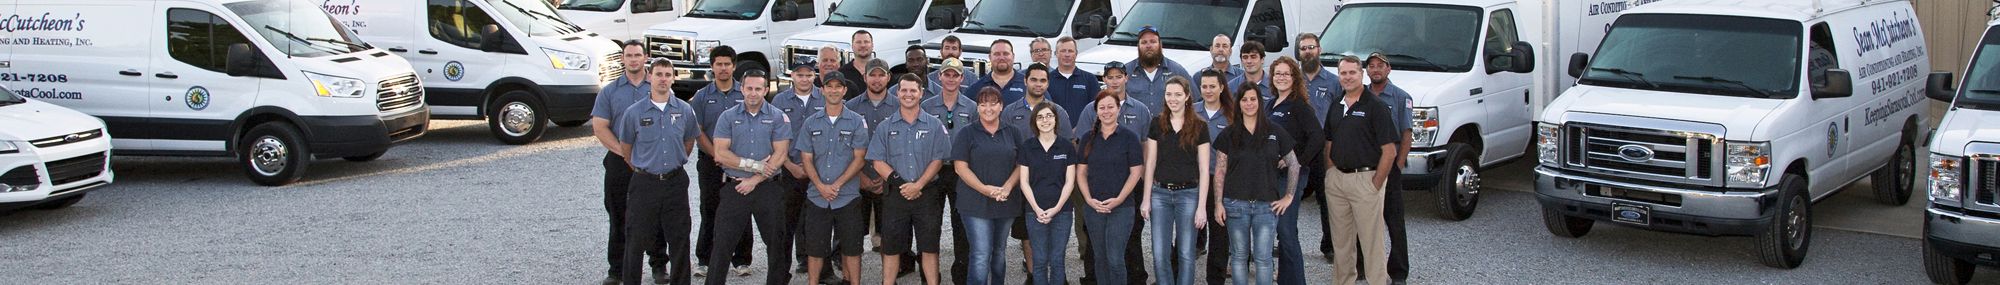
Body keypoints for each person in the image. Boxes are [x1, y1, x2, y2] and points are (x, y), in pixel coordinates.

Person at [613, 58, 702, 285]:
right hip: (645, 183)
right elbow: (626, 148)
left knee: (680, 238)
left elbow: (689, 140)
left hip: (675, 182)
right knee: (636, 238)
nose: (663, 79)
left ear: (673, 78)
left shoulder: (684, 110)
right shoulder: (634, 112)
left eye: (668, 74)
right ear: (649, 76)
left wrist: (676, 160)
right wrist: (645, 168)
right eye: (659, 74)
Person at [592, 40, 668, 285]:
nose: (634, 60)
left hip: (652, 163)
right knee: (618, 215)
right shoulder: (610, 92)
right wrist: (624, 153)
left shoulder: (659, 86)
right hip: (619, 162)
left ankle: (659, 266)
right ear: (622, 59)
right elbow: (600, 127)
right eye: (629, 56)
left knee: (656, 215)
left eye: (638, 55)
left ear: (645, 58)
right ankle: (617, 271)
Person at [868, 74, 952, 285]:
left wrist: (919, 185)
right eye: (904, 90)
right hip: (896, 195)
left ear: (921, 93)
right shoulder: (885, 127)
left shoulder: (934, 125)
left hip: (926, 195)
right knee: (891, 248)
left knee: (929, 247)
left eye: (913, 90)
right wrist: (901, 184)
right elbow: (877, 161)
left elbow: (938, 159)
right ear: (897, 94)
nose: (908, 95)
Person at [1320, 56, 1397, 285]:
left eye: (1352, 72)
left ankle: (1377, 281)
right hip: (1338, 181)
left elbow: (1390, 151)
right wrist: (1331, 173)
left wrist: (1375, 183)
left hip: (1365, 180)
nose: (1347, 77)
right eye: (1343, 73)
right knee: (1342, 243)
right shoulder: (1336, 105)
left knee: (1371, 242)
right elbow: (1329, 143)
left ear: (1361, 74)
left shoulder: (1376, 107)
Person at [1076, 62, 1153, 285]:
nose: (1107, 111)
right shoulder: (1088, 139)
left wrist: (1119, 199)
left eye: (1111, 107)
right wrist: (1089, 200)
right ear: (1096, 111)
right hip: (1094, 207)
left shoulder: (1129, 137)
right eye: (1102, 108)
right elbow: (1081, 173)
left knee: (1116, 258)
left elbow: (1136, 171)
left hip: (1122, 207)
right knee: (1099, 257)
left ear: (1118, 109)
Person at [1213, 84, 1296, 285]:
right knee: (1239, 257)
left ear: (1260, 101)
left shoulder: (1275, 131)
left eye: (1253, 99)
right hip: (1235, 204)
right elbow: (1220, 170)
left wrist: (1289, 196)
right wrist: (1218, 204)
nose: (1249, 103)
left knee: (1264, 259)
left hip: (1266, 206)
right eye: (1244, 100)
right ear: (1238, 104)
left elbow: (1294, 163)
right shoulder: (1229, 133)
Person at [795, 73, 869, 285]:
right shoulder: (811, 122)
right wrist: (820, 185)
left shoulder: (856, 121)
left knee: (852, 248)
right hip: (817, 197)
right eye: (830, 86)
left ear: (844, 90)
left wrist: (836, 185)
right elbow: (806, 158)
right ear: (822, 90)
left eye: (839, 86)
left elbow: (859, 158)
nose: (834, 90)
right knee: (816, 249)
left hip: (847, 196)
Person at [949, 87, 1026, 285]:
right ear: (977, 107)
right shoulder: (967, 133)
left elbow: (1021, 164)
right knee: (981, 253)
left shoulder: (1013, 132)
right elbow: (960, 167)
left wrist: (1007, 187)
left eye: (993, 103)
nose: (988, 108)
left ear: (1001, 106)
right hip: (974, 203)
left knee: (999, 252)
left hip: (1005, 202)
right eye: (983, 104)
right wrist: (986, 190)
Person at [690, 46, 753, 278]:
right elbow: (698, 130)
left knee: (742, 208)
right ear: (712, 67)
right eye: (719, 64)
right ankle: (704, 259)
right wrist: (716, 153)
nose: (723, 68)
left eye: (728, 64)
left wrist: (736, 160)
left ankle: (742, 259)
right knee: (709, 208)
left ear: (734, 66)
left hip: (740, 163)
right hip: (710, 162)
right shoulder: (702, 97)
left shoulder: (745, 93)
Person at [1142, 76, 1210, 285]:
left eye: (1178, 94)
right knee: (1160, 253)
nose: (1173, 99)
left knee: (1187, 253)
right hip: (1160, 195)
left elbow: (1204, 169)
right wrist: (1146, 199)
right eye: (1169, 94)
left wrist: (1202, 207)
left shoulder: (1199, 126)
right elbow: (1150, 164)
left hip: (1188, 195)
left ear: (1187, 96)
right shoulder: (1157, 123)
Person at [1265, 57, 1325, 285]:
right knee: (1281, 230)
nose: (1281, 77)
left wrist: (1296, 162)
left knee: (1286, 230)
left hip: (1290, 177)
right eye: (1277, 73)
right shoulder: (1271, 104)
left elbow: (1317, 137)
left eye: (1286, 74)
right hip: (1271, 176)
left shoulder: (1299, 106)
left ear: (1294, 78)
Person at [921, 58, 976, 284]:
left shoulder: (971, 107)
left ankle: (961, 274)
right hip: (934, 171)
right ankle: (930, 276)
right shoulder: (927, 106)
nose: (951, 79)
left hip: (960, 171)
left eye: (956, 75)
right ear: (939, 77)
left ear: (962, 78)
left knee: (960, 224)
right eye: (947, 74)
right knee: (929, 223)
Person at [1364, 52, 1414, 284]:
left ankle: (1398, 272)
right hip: (1364, 165)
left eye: (1379, 66)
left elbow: (1406, 133)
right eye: (1371, 66)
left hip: (1389, 164)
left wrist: (1399, 164)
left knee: (1394, 220)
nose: (1375, 70)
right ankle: (1363, 266)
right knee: (1363, 219)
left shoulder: (1400, 97)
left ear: (1388, 69)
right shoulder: (1360, 95)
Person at [1016, 103, 1078, 285]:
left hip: (1062, 212)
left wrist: (1056, 209)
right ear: (1035, 122)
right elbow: (1024, 182)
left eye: (1049, 116)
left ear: (1056, 119)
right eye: (1040, 117)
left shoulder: (1066, 146)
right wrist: (1036, 209)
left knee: (1057, 260)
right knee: (1040, 260)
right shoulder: (1027, 147)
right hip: (1034, 212)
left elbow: (1070, 182)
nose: (1045, 120)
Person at [772, 60, 824, 276]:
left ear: (815, 76)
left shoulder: (824, 97)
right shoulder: (779, 100)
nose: (804, 79)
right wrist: (789, 165)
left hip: (819, 171)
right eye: (800, 75)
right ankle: (781, 270)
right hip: (789, 169)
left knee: (817, 223)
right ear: (792, 76)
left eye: (809, 75)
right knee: (786, 223)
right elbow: (773, 136)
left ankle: (816, 267)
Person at [1195, 70, 1238, 285]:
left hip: (1221, 182)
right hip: (1194, 181)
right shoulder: (1191, 112)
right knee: (1187, 232)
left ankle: (1215, 280)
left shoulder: (1232, 116)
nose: (1208, 90)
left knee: (1219, 236)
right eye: (1204, 86)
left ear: (1222, 87)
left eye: (1213, 86)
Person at [1074, 63, 1155, 138]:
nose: (1115, 81)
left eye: (1119, 77)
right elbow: (1081, 140)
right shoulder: (1090, 109)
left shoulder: (1141, 110)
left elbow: (1147, 142)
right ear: (1104, 79)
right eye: (1110, 78)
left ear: (1126, 78)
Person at [1125, 25, 1191, 114]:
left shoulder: (1177, 70)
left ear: (1160, 45)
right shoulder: (1126, 72)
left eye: (1153, 41)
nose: (1148, 46)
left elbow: (1194, 101)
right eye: (1144, 42)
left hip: (1168, 127)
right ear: (1138, 46)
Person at [1001, 63, 1072, 139]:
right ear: (1025, 81)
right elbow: (1005, 143)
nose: (1038, 84)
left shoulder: (1058, 112)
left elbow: (1067, 144)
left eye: (1043, 81)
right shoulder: (1010, 111)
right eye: (1034, 80)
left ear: (1048, 84)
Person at [1048, 37, 1101, 121]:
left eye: (1070, 51)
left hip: (1082, 132)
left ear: (1076, 54)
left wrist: (1080, 128)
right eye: (1063, 51)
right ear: (1056, 54)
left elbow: (1096, 109)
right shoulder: (1047, 79)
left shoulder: (1090, 79)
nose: (1067, 54)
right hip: (1053, 131)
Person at [975, 39, 1027, 104]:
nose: (1001, 58)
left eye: (1005, 54)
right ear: (990, 57)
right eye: (997, 54)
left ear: (1013, 56)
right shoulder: (976, 88)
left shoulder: (1028, 85)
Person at [1227, 42, 1274, 106]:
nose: (1249, 61)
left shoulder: (1274, 86)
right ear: (1241, 60)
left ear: (1262, 59)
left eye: (1253, 57)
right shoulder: (1231, 87)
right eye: (1245, 57)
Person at [841, 30, 878, 100]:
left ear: (872, 45)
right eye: (858, 42)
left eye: (866, 42)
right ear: (852, 46)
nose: (863, 45)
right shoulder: (842, 73)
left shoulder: (883, 73)